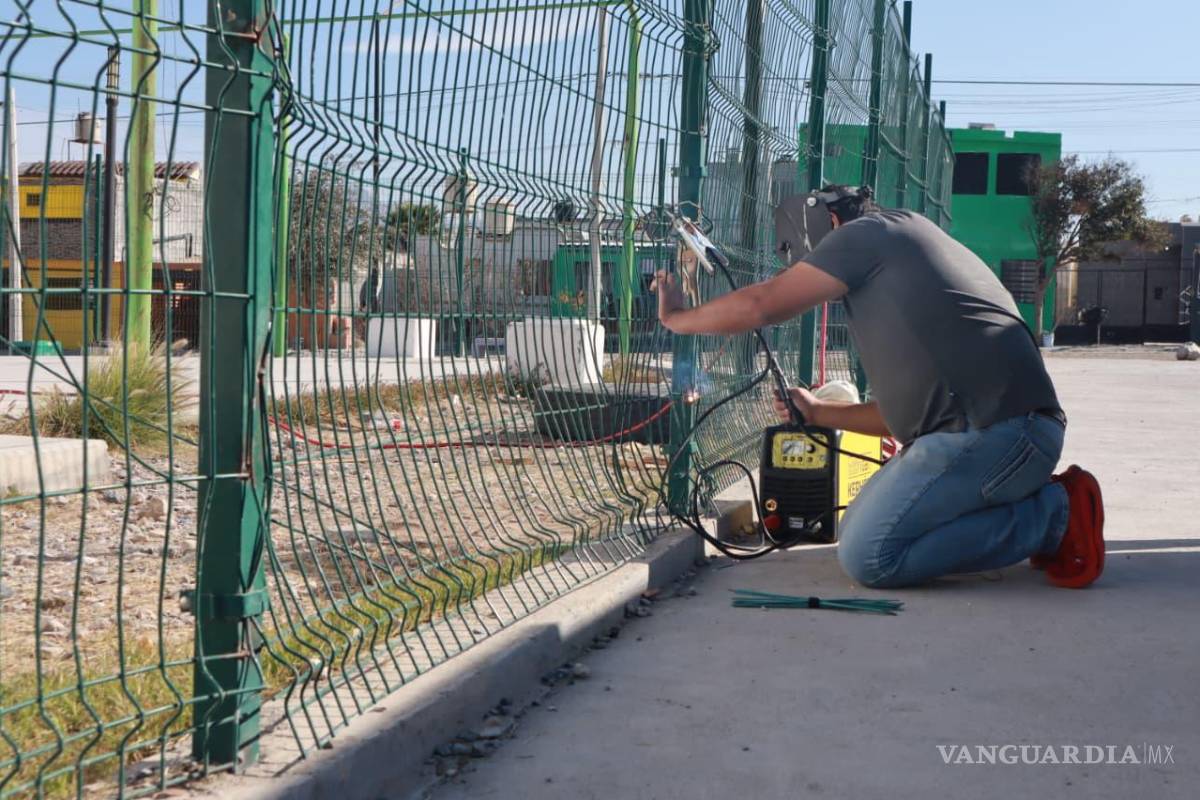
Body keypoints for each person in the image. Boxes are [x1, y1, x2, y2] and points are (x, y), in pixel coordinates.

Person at [652, 186, 1104, 589]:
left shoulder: (865, 235)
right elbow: (908, 415)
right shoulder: (900, 263)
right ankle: (1029, 504)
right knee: (857, 533)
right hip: (1006, 435)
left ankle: (1055, 517)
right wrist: (817, 412)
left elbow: (761, 305)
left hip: (1000, 434)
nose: (803, 272)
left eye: (805, 259)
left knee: (872, 556)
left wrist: (679, 319)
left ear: (830, 223)